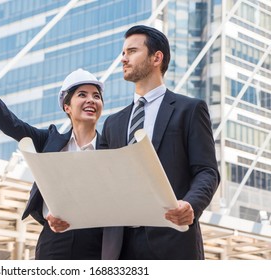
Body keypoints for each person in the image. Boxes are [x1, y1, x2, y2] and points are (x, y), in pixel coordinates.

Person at [0, 51, 104, 260]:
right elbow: (10, 123)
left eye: (96, 96)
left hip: (97, 243)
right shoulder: (49, 141)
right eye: (82, 95)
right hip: (54, 241)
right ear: (67, 107)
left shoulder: (111, 147)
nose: (91, 100)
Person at [99, 25, 220, 260]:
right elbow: (102, 182)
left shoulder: (189, 110)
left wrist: (191, 205)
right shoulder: (113, 123)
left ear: (157, 57)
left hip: (173, 242)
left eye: (132, 51)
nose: (123, 59)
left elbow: (207, 171)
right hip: (119, 248)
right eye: (123, 52)